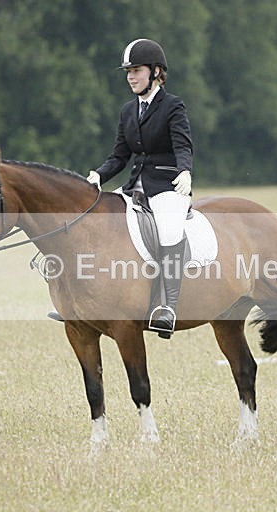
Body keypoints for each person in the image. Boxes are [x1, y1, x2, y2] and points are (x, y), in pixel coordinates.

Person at [87, 38, 193, 338]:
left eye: (136, 70)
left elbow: (183, 145)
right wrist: (99, 176)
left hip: (167, 184)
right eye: (128, 71)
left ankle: (168, 307)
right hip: (134, 185)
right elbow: (120, 155)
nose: (130, 77)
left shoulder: (173, 106)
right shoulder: (128, 111)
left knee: (170, 230)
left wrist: (185, 171)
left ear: (156, 72)